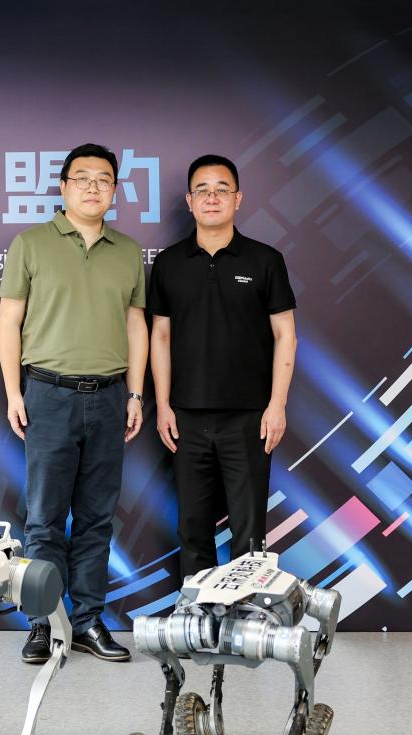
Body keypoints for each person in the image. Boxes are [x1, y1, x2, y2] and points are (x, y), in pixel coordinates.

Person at [0, 143, 148, 663]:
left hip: (108, 397)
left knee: (96, 518)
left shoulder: (127, 251)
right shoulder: (31, 244)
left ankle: (86, 621)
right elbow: (9, 322)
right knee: (43, 518)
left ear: (115, 190)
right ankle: (42, 622)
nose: (92, 187)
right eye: (81, 178)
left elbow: (135, 325)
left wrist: (136, 393)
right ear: (62, 187)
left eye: (103, 179)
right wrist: (14, 392)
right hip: (48, 394)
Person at [148, 154, 297, 581]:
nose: (212, 198)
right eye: (203, 190)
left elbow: (286, 335)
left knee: (249, 533)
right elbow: (160, 336)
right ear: (189, 201)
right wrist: (164, 405)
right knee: (193, 530)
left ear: (238, 198)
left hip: (250, 418)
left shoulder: (265, 260)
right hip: (186, 417)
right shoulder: (169, 263)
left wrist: (277, 405)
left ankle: (246, 612)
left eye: (221, 190)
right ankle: (199, 613)